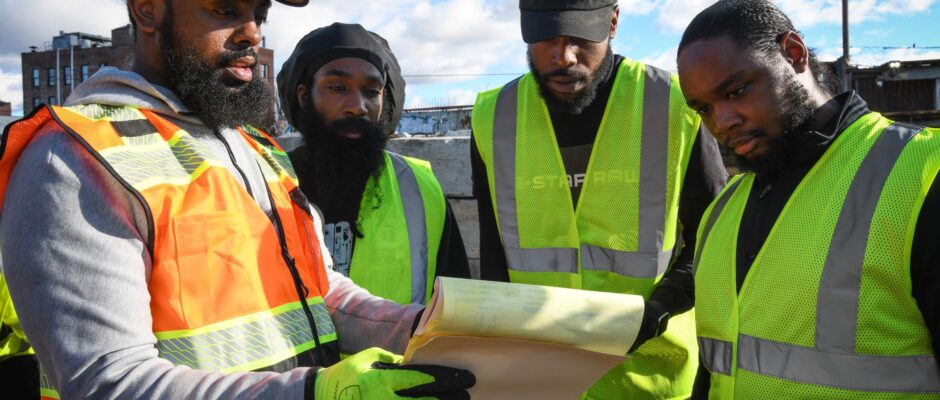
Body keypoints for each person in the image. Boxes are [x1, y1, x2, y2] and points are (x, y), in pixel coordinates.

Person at [0, 0, 474, 399]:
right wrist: (315, 392)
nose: (252, 32)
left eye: (259, 13)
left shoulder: (257, 149)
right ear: (147, 10)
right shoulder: (74, 158)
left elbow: (319, 293)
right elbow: (108, 382)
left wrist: (426, 329)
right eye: (225, 9)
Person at [676, 0, 940, 398]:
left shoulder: (922, 173)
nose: (722, 122)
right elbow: (716, 371)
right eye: (704, 109)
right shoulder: (721, 212)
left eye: (737, 90)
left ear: (794, 53)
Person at [470, 0, 727, 398]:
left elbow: (715, 238)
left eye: (579, 36)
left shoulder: (674, 106)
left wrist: (657, 311)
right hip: (540, 379)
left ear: (613, 21)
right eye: (545, 37)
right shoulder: (493, 117)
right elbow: (494, 258)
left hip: (648, 379)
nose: (563, 57)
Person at [277, 23, 471, 306]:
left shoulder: (420, 191)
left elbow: (455, 305)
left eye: (371, 91)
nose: (357, 106)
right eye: (337, 88)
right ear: (304, 96)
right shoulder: (269, 184)